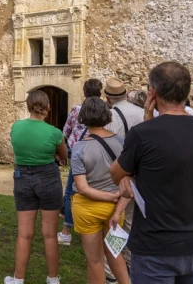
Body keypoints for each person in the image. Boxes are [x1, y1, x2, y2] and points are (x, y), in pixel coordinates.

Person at [110, 61, 193, 283]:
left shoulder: (143, 134)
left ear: (153, 92)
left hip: (156, 243)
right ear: (188, 92)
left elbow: (116, 174)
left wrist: (147, 124)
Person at [5, 90, 67, 284]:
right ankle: (53, 278)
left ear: (28, 106)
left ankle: (18, 279)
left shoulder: (16, 127)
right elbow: (64, 156)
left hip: (22, 177)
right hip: (48, 177)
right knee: (49, 234)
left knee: (24, 234)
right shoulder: (54, 132)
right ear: (48, 108)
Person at [71, 97, 129, 284]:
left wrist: (109, 196)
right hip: (115, 209)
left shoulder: (79, 148)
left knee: (95, 260)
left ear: (83, 117)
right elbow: (128, 179)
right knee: (115, 253)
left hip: (88, 209)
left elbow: (82, 188)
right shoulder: (121, 142)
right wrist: (115, 198)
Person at [103, 78, 142, 270]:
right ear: (126, 94)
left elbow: (108, 147)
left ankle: (114, 267)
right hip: (142, 174)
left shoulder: (111, 117)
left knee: (116, 221)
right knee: (133, 219)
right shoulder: (143, 112)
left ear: (107, 98)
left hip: (120, 173)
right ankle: (131, 259)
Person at [59, 78, 102, 246]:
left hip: (78, 153)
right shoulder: (106, 110)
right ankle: (96, 226)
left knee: (71, 190)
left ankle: (66, 231)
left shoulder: (77, 110)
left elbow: (66, 131)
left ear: (84, 92)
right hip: (98, 153)